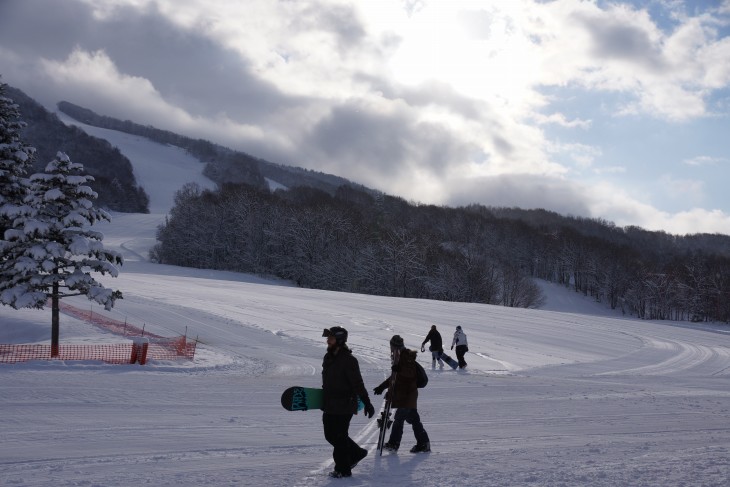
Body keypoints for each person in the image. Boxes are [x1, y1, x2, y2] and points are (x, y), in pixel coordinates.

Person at [321, 326, 376, 479]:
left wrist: (367, 402)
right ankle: (357, 453)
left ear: (338, 340)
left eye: (330, 338)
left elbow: (358, 383)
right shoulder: (328, 357)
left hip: (344, 405)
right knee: (330, 435)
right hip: (330, 404)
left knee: (339, 437)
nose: (327, 340)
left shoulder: (349, 360)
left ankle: (343, 469)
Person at [373, 335, 431, 453]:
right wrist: (382, 387)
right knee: (414, 419)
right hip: (407, 394)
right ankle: (424, 443)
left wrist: (398, 370)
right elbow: (395, 377)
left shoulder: (406, 356)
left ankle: (394, 444)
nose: (391, 349)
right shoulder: (400, 356)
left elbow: (408, 374)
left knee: (399, 419)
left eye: (392, 346)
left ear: (394, 346)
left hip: (407, 394)